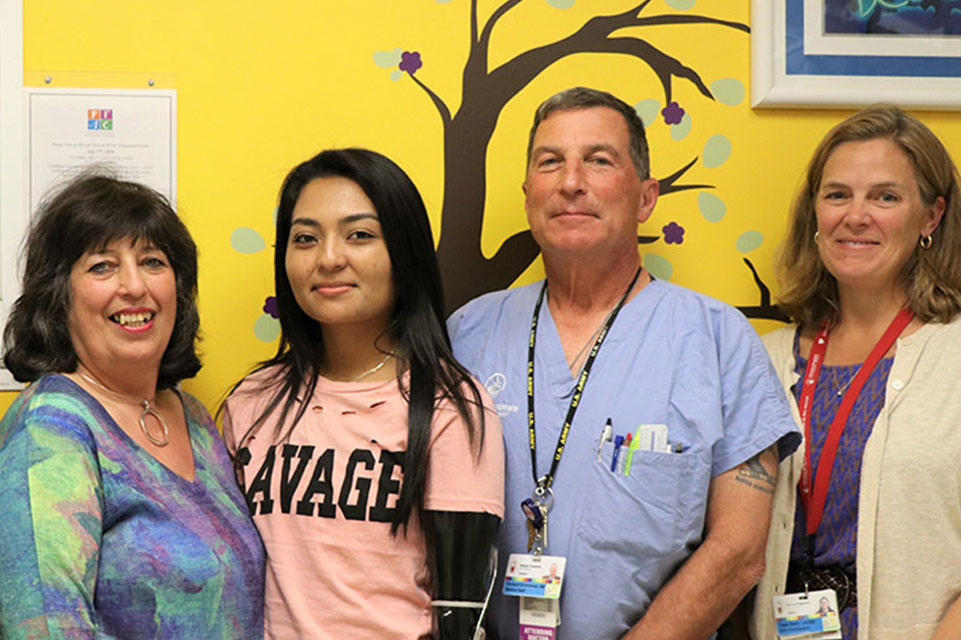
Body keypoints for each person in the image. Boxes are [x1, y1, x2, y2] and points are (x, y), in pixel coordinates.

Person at [447, 86, 800, 639]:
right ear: (526, 195)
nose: (570, 182)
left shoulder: (716, 339)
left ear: (645, 197)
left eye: (599, 160)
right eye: (550, 162)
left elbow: (739, 551)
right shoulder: (467, 334)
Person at [222, 148, 505, 639]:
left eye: (360, 236)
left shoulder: (450, 407)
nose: (329, 259)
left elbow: (464, 618)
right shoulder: (251, 403)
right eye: (306, 238)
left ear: (405, 252)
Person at [0, 175, 265, 639]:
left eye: (152, 262)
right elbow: (43, 628)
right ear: (59, 294)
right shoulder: (53, 427)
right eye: (103, 266)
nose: (134, 286)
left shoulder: (196, 418)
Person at [749, 105, 961, 640]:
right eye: (837, 194)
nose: (856, 215)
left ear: (930, 217)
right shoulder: (764, 361)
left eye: (885, 197)